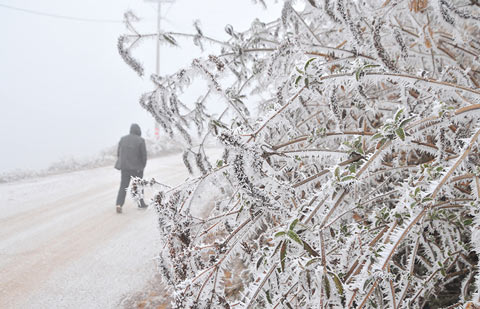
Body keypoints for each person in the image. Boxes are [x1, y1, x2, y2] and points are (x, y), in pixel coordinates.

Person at [114, 123, 147, 213]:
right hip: (137, 168)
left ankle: (119, 204)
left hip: (125, 168)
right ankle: (141, 203)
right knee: (138, 186)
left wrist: (122, 163)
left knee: (123, 186)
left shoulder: (123, 139)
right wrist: (142, 166)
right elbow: (144, 155)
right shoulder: (140, 140)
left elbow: (118, 153)